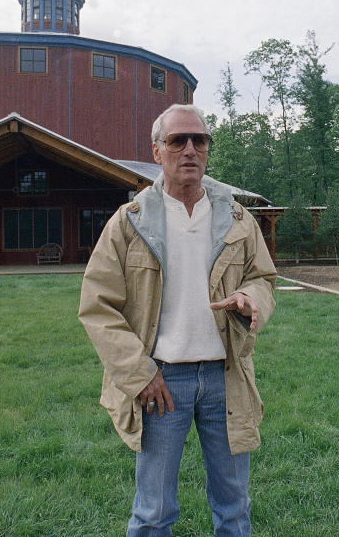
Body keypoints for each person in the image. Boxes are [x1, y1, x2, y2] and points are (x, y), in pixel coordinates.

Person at [79, 104, 276, 536]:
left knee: (234, 508)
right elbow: (97, 306)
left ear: (207, 149)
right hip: (160, 382)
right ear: (157, 150)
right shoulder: (129, 223)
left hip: (226, 377)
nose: (190, 149)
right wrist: (138, 373)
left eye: (199, 140)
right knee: (153, 513)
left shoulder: (238, 219)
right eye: (177, 140)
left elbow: (264, 278)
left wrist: (250, 297)